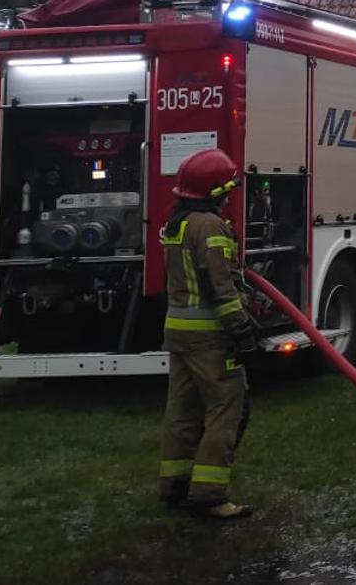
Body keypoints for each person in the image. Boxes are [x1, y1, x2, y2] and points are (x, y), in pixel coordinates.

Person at [156, 148, 257, 520]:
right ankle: (210, 494)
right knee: (226, 409)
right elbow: (220, 286)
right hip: (209, 335)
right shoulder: (210, 226)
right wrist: (241, 329)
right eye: (227, 189)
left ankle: (176, 486)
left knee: (182, 411)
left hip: (178, 331)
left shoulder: (177, 223)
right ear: (215, 190)